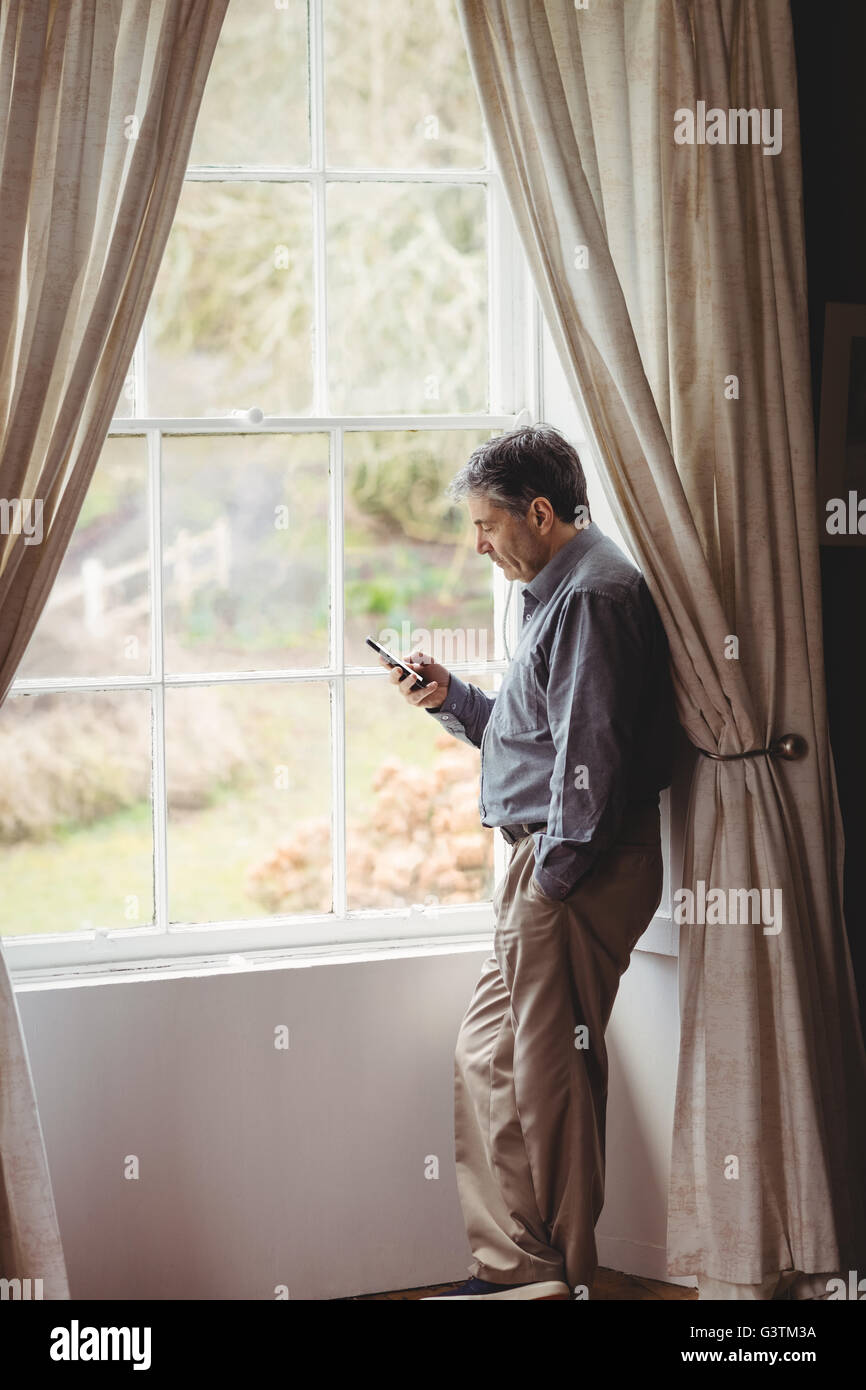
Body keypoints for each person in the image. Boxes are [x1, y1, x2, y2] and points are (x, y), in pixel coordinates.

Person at [381, 424, 676, 1300]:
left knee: (551, 1084)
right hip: (545, 867)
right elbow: (538, 731)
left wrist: (549, 882)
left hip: (569, 870)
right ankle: (524, 1270)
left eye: (485, 524)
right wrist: (454, 701)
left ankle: (562, 1282)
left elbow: (594, 760)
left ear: (538, 512)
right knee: (489, 1057)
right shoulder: (552, 590)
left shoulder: (592, 595)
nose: (477, 543)